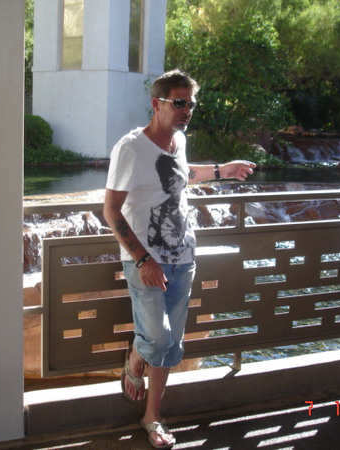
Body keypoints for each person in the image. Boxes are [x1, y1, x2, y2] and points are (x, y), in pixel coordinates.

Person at [103, 69, 256, 449]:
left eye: (191, 104)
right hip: (145, 261)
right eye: (180, 103)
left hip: (183, 255)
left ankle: (152, 416)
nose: (187, 110)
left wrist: (222, 170)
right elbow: (111, 211)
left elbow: (181, 174)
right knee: (158, 339)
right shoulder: (130, 148)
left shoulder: (179, 140)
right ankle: (135, 357)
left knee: (171, 343)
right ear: (157, 104)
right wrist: (143, 260)